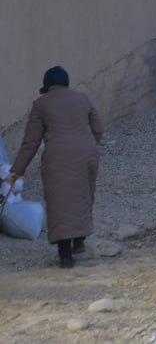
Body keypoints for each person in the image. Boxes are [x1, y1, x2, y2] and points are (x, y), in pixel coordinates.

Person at [5, 66, 103, 268]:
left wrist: (16, 171)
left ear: (48, 86)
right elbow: (98, 128)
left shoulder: (41, 104)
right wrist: (87, 145)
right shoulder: (83, 99)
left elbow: (30, 143)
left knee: (59, 201)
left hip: (57, 156)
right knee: (82, 194)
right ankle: (79, 242)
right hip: (87, 153)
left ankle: (65, 256)